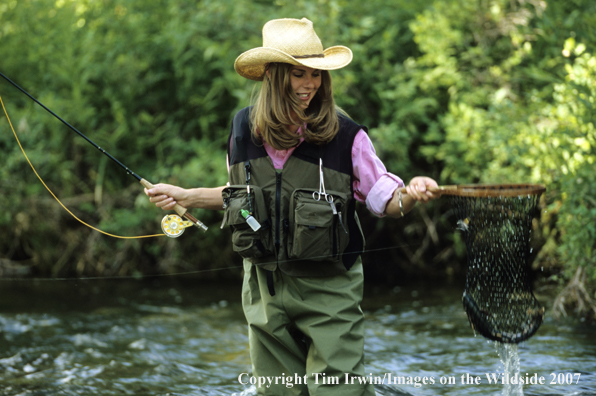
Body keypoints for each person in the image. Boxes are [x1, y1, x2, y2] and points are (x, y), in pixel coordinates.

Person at [146, 17, 440, 396]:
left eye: (316, 74)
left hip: (330, 287)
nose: (310, 85)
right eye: (299, 74)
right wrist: (187, 196)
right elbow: (244, 197)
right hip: (264, 288)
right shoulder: (242, 129)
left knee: (339, 392)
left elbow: (386, 201)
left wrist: (413, 194)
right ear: (273, 75)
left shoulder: (347, 135)